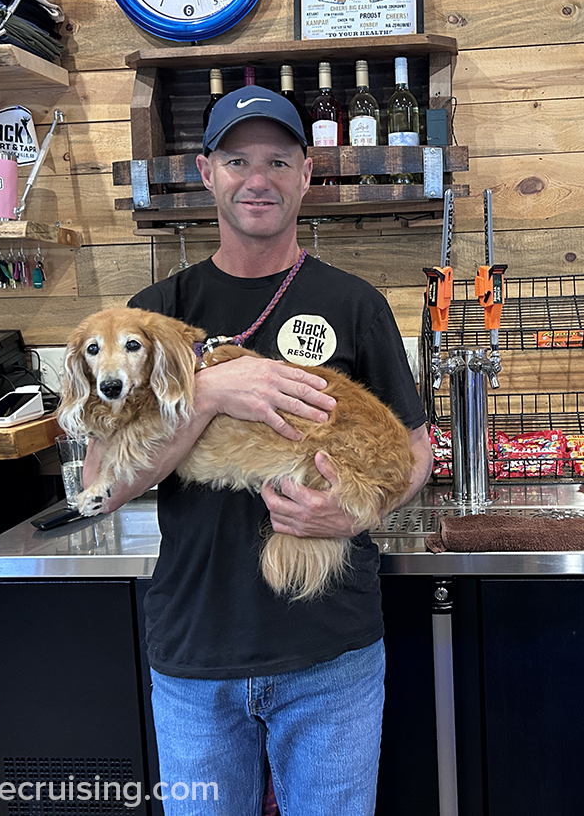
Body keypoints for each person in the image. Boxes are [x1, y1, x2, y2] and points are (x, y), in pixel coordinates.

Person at [82, 85, 433, 815]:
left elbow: (417, 452)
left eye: (278, 159)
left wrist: (352, 513)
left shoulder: (355, 303)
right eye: (238, 159)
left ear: (307, 173)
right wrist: (210, 394)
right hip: (197, 654)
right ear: (207, 172)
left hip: (331, 653)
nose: (259, 178)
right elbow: (99, 486)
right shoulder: (158, 314)